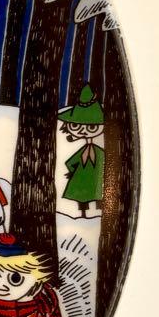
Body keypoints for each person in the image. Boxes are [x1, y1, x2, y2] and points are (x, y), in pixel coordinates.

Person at [58, 83, 106, 218]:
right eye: (75, 126)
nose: (83, 132)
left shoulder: (99, 152)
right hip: (80, 178)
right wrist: (72, 172)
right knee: (82, 198)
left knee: (98, 194)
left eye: (91, 127)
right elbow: (70, 162)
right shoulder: (86, 151)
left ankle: (98, 214)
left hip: (93, 178)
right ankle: (83, 215)